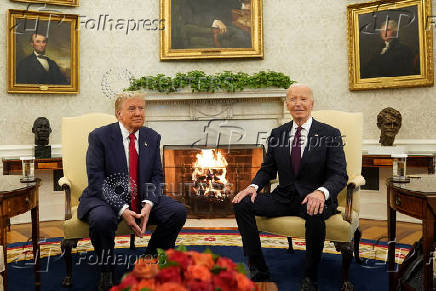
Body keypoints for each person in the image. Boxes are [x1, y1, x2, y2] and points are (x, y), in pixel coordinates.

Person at [232, 84, 347, 291]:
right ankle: (258, 268)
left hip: (314, 197)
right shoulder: (278, 134)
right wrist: (253, 187)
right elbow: (267, 170)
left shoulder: (330, 133)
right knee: (242, 204)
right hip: (284, 197)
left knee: (315, 211)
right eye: (293, 99)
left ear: (312, 103)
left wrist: (321, 192)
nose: (298, 104)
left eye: (303, 99)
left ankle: (310, 277)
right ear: (287, 104)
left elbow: (339, 174)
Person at [77, 93, 187, 291]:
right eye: (132, 109)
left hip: (141, 196)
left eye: (141, 108)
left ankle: (151, 259)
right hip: (105, 196)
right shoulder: (100, 136)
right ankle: (106, 270)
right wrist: (122, 209)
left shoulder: (152, 137)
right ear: (119, 114)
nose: (138, 113)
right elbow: (96, 180)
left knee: (177, 211)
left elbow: (156, 177)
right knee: (102, 219)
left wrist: (149, 204)